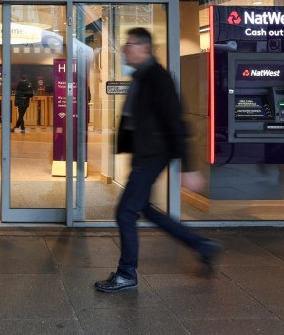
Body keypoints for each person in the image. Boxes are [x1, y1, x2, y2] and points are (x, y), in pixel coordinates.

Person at [94, 28, 222, 293]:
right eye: (126, 44)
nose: (125, 49)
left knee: (125, 212)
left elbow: (176, 122)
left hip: (152, 156)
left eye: (130, 45)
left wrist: (188, 169)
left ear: (145, 48)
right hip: (146, 154)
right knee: (144, 209)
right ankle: (202, 245)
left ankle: (126, 273)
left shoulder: (157, 78)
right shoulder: (142, 76)